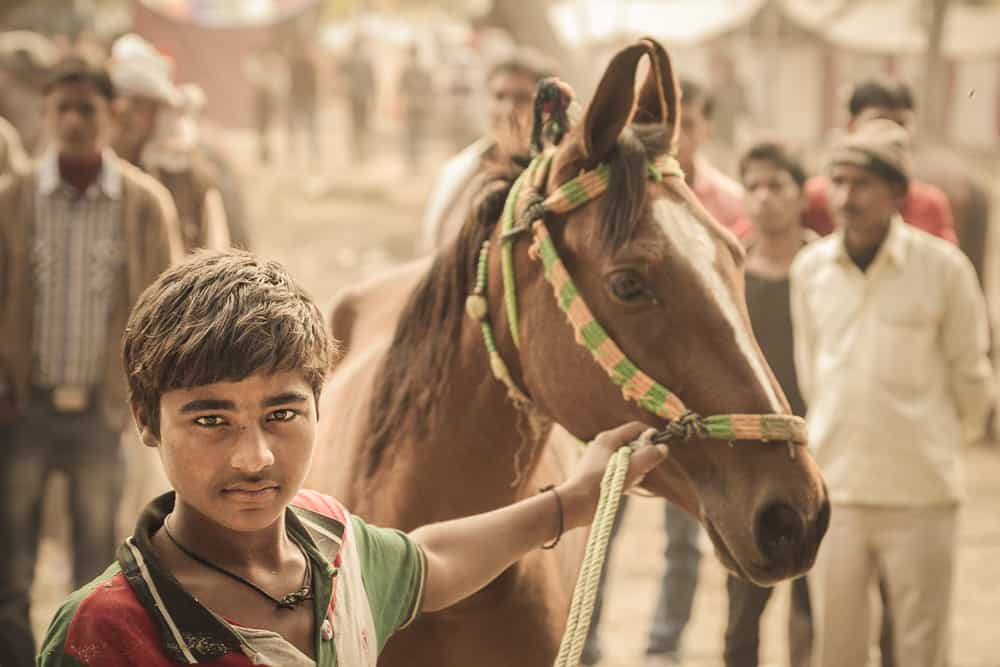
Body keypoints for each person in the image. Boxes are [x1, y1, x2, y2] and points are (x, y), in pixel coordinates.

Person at [34, 249, 671, 666]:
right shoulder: (104, 633)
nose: (254, 458)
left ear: (322, 404)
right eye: (210, 421)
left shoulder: (332, 546)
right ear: (146, 420)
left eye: (281, 415)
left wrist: (574, 501)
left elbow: (433, 560)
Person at [790, 119, 994, 667]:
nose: (844, 197)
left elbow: (971, 375)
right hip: (839, 493)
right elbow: (812, 373)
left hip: (921, 495)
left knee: (921, 647)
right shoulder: (810, 270)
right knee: (838, 646)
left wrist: (942, 442)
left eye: (861, 184)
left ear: (898, 193)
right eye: (837, 181)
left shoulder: (944, 270)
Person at [0, 57, 181, 667]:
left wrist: (147, 401)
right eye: (63, 109)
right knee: (11, 568)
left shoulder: (142, 204)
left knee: (93, 570)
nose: (75, 121)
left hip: (103, 415)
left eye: (88, 109)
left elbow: (167, 311)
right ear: (47, 115)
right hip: (24, 411)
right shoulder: (13, 201)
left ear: (112, 115)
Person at [582, 76, 753, 667]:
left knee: (688, 532)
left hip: (700, 402)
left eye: (692, 123)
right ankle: (588, 643)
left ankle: (665, 647)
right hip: (633, 394)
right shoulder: (623, 194)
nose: (679, 137)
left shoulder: (727, 202)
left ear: (704, 127)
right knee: (601, 517)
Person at [723, 140, 814, 667]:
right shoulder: (730, 273)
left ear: (801, 195)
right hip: (751, 463)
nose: (763, 198)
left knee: (815, 605)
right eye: (752, 186)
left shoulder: (826, 267)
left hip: (820, 450)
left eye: (776, 185)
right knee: (742, 609)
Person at [417, 48, 553, 253]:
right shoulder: (459, 168)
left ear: (545, 109)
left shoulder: (555, 175)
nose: (508, 109)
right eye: (499, 97)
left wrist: (519, 158)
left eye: (522, 98)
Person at [109, 33, 229, 253]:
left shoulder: (186, 177)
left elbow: (213, 248)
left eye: (139, 104)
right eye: (120, 101)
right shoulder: (99, 168)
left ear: (157, 112)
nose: (126, 113)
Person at [803, 77, 956, 244]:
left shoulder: (929, 204)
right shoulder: (813, 199)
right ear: (851, 126)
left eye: (901, 123)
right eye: (878, 122)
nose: (891, 133)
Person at [397, 42, 434, 169]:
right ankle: (417, 161)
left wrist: (400, 106)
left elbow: (401, 90)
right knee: (419, 134)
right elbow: (430, 88)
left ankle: (410, 161)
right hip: (422, 106)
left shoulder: (406, 69)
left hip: (411, 106)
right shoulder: (424, 69)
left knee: (410, 134)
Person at [342, 34, 376, 164]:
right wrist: (373, 96)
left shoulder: (350, 59)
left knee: (354, 124)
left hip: (353, 96)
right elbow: (373, 80)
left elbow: (341, 72)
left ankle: (356, 153)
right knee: (363, 125)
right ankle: (362, 153)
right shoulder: (367, 60)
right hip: (364, 96)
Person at [286, 42, 320, 165]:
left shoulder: (297, 65)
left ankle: (302, 152)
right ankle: (298, 151)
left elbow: (313, 84)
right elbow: (314, 84)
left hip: (302, 98)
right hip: (303, 98)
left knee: (302, 127)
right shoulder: (304, 65)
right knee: (305, 127)